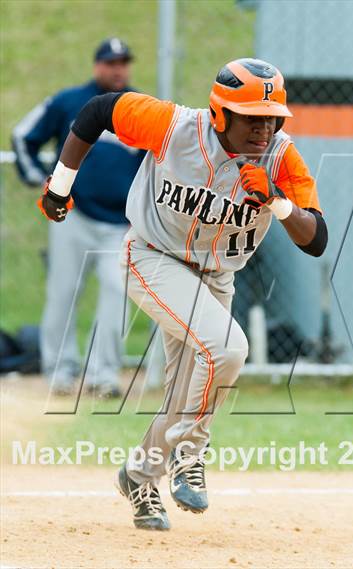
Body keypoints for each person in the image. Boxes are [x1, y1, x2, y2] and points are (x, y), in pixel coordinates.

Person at [36, 58, 328, 529]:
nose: (264, 128)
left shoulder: (279, 156)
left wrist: (277, 200)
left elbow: (315, 239)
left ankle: (138, 475)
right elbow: (96, 112)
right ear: (220, 113)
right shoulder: (175, 127)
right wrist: (60, 185)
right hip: (154, 257)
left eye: (272, 117)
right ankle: (191, 452)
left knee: (183, 398)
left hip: (216, 278)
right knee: (229, 349)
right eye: (252, 116)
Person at [13, 38, 146, 397]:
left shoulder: (138, 109)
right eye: (110, 62)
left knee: (117, 294)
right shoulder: (70, 102)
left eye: (123, 62)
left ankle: (104, 375)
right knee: (63, 294)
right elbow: (23, 136)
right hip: (72, 217)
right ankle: (61, 371)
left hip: (120, 224)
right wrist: (37, 176)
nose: (117, 69)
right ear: (96, 65)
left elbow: (158, 164)